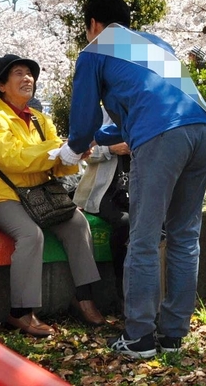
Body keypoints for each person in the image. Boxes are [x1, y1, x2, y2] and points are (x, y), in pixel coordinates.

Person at [56, 0, 206, 359]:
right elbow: (146, 109)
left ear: (93, 25)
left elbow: (83, 120)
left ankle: (140, 336)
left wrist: (73, 147)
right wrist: (98, 138)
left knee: (143, 237)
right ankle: (174, 333)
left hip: (161, 136)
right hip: (202, 129)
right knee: (184, 235)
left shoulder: (95, 49)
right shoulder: (155, 44)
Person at [0, 54, 104, 337]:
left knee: (78, 224)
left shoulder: (41, 119)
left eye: (29, 73)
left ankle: (84, 298)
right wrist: (56, 151)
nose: (27, 78)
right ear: (1, 85)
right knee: (31, 235)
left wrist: (73, 154)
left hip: (38, 193)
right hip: (0, 194)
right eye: (18, 73)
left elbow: (57, 165)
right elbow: (8, 157)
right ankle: (20, 312)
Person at [74, 109, 132, 304]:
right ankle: (122, 290)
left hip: (136, 187)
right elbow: (82, 153)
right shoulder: (96, 114)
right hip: (101, 191)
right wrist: (111, 149)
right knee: (125, 222)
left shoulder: (142, 111)